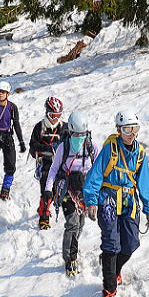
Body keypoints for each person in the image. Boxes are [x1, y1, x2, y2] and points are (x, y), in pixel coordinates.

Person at [83, 111, 149, 297]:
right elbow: (95, 175)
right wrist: (91, 201)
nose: (132, 134)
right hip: (108, 200)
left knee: (131, 244)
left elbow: (144, 182)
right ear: (118, 130)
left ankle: (113, 267)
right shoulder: (110, 148)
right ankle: (109, 289)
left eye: (135, 129)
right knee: (111, 244)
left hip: (129, 202)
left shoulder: (140, 153)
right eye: (127, 130)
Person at [45, 111, 98, 276]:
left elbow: (100, 169)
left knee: (81, 224)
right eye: (76, 134)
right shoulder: (64, 146)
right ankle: (69, 258)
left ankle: (72, 246)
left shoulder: (92, 146)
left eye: (82, 134)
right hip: (67, 188)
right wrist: (48, 189)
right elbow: (54, 169)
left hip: (84, 190)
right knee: (73, 223)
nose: (79, 137)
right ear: (70, 132)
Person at [29, 97, 67, 230]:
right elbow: (32, 147)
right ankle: (43, 217)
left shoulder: (64, 127)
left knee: (57, 189)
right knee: (47, 189)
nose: (55, 119)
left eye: (58, 115)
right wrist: (46, 148)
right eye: (52, 115)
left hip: (61, 164)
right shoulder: (40, 127)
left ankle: (45, 205)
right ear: (47, 113)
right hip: (45, 163)